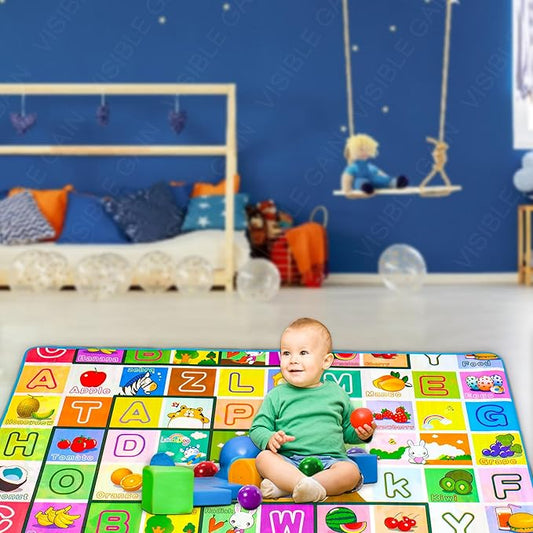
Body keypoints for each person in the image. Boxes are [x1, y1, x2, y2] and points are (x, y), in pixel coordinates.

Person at [249, 317, 376, 503]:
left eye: (303, 352)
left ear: (326, 361)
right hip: (290, 462)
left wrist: (363, 434)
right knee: (264, 458)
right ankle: (299, 485)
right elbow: (257, 428)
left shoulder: (336, 393)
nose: (293, 360)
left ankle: (287, 488)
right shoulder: (276, 395)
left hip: (330, 462)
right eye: (286, 353)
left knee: (351, 472)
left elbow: (348, 432)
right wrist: (269, 438)